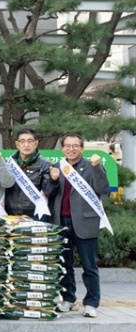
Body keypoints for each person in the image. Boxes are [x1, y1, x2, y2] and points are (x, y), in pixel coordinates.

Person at [49, 134, 111, 318]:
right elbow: (49, 193)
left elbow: (103, 189)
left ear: (82, 148)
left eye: (75, 145)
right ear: (62, 149)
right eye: (67, 145)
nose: (71, 149)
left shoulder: (92, 166)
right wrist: (53, 180)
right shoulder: (58, 167)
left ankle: (91, 303)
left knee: (89, 266)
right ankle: (68, 298)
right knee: (64, 265)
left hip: (86, 222)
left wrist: (97, 168)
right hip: (61, 222)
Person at [4, 127, 54, 219]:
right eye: (22, 141)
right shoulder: (9, 163)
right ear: (17, 144)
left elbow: (49, 191)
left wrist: (54, 180)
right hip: (10, 213)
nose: (26, 145)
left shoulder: (45, 164)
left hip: (34, 214)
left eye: (30, 141)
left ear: (36, 143)